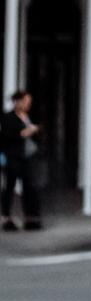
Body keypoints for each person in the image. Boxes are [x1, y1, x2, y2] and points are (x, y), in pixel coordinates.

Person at [2, 87, 46, 231]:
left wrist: (36, 131)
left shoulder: (28, 117)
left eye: (29, 102)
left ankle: (31, 218)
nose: (28, 104)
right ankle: (6, 218)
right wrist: (25, 132)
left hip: (27, 157)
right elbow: (8, 136)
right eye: (26, 101)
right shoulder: (8, 118)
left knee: (30, 187)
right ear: (18, 102)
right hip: (14, 158)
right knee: (10, 187)